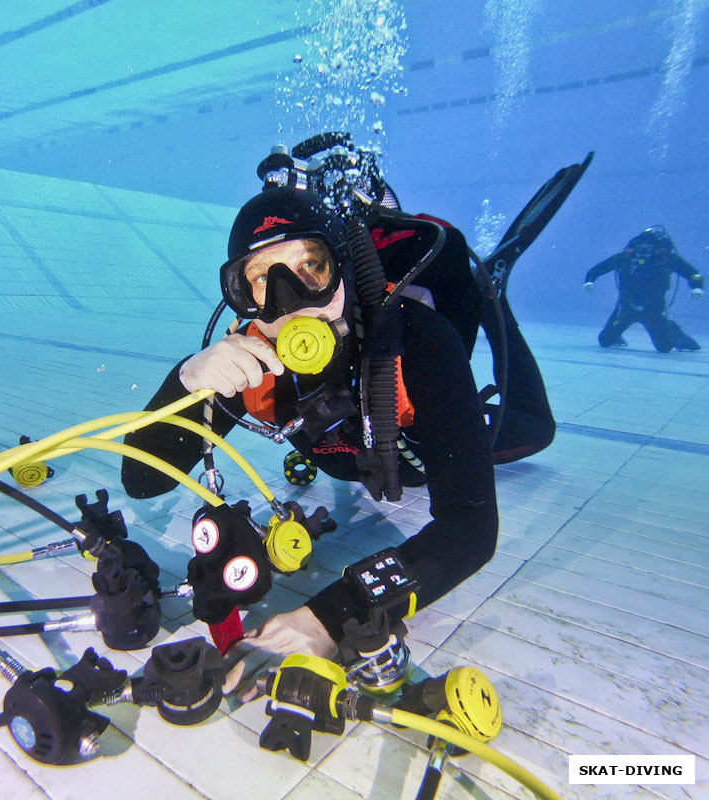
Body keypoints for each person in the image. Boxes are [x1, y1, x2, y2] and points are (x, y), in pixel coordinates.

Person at [120, 166, 560, 698]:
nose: (291, 301)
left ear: (343, 269)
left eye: (311, 267)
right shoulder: (249, 360)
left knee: (531, 432)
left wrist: (326, 620)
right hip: (350, 454)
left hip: (414, 449)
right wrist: (185, 381)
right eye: (262, 279)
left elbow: (471, 529)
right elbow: (142, 481)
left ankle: (494, 291)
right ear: (239, 293)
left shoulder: (419, 341)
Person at [583, 226, 704, 352]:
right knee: (605, 340)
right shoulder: (625, 258)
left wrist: (697, 287)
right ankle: (615, 334)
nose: (645, 251)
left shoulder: (666, 259)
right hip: (626, 308)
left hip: (654, 310)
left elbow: (692, 273)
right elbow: (598, 269)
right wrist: (590, 280)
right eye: (642, 247)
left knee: (665, 347)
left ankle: (673, 330)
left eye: (650, 248)